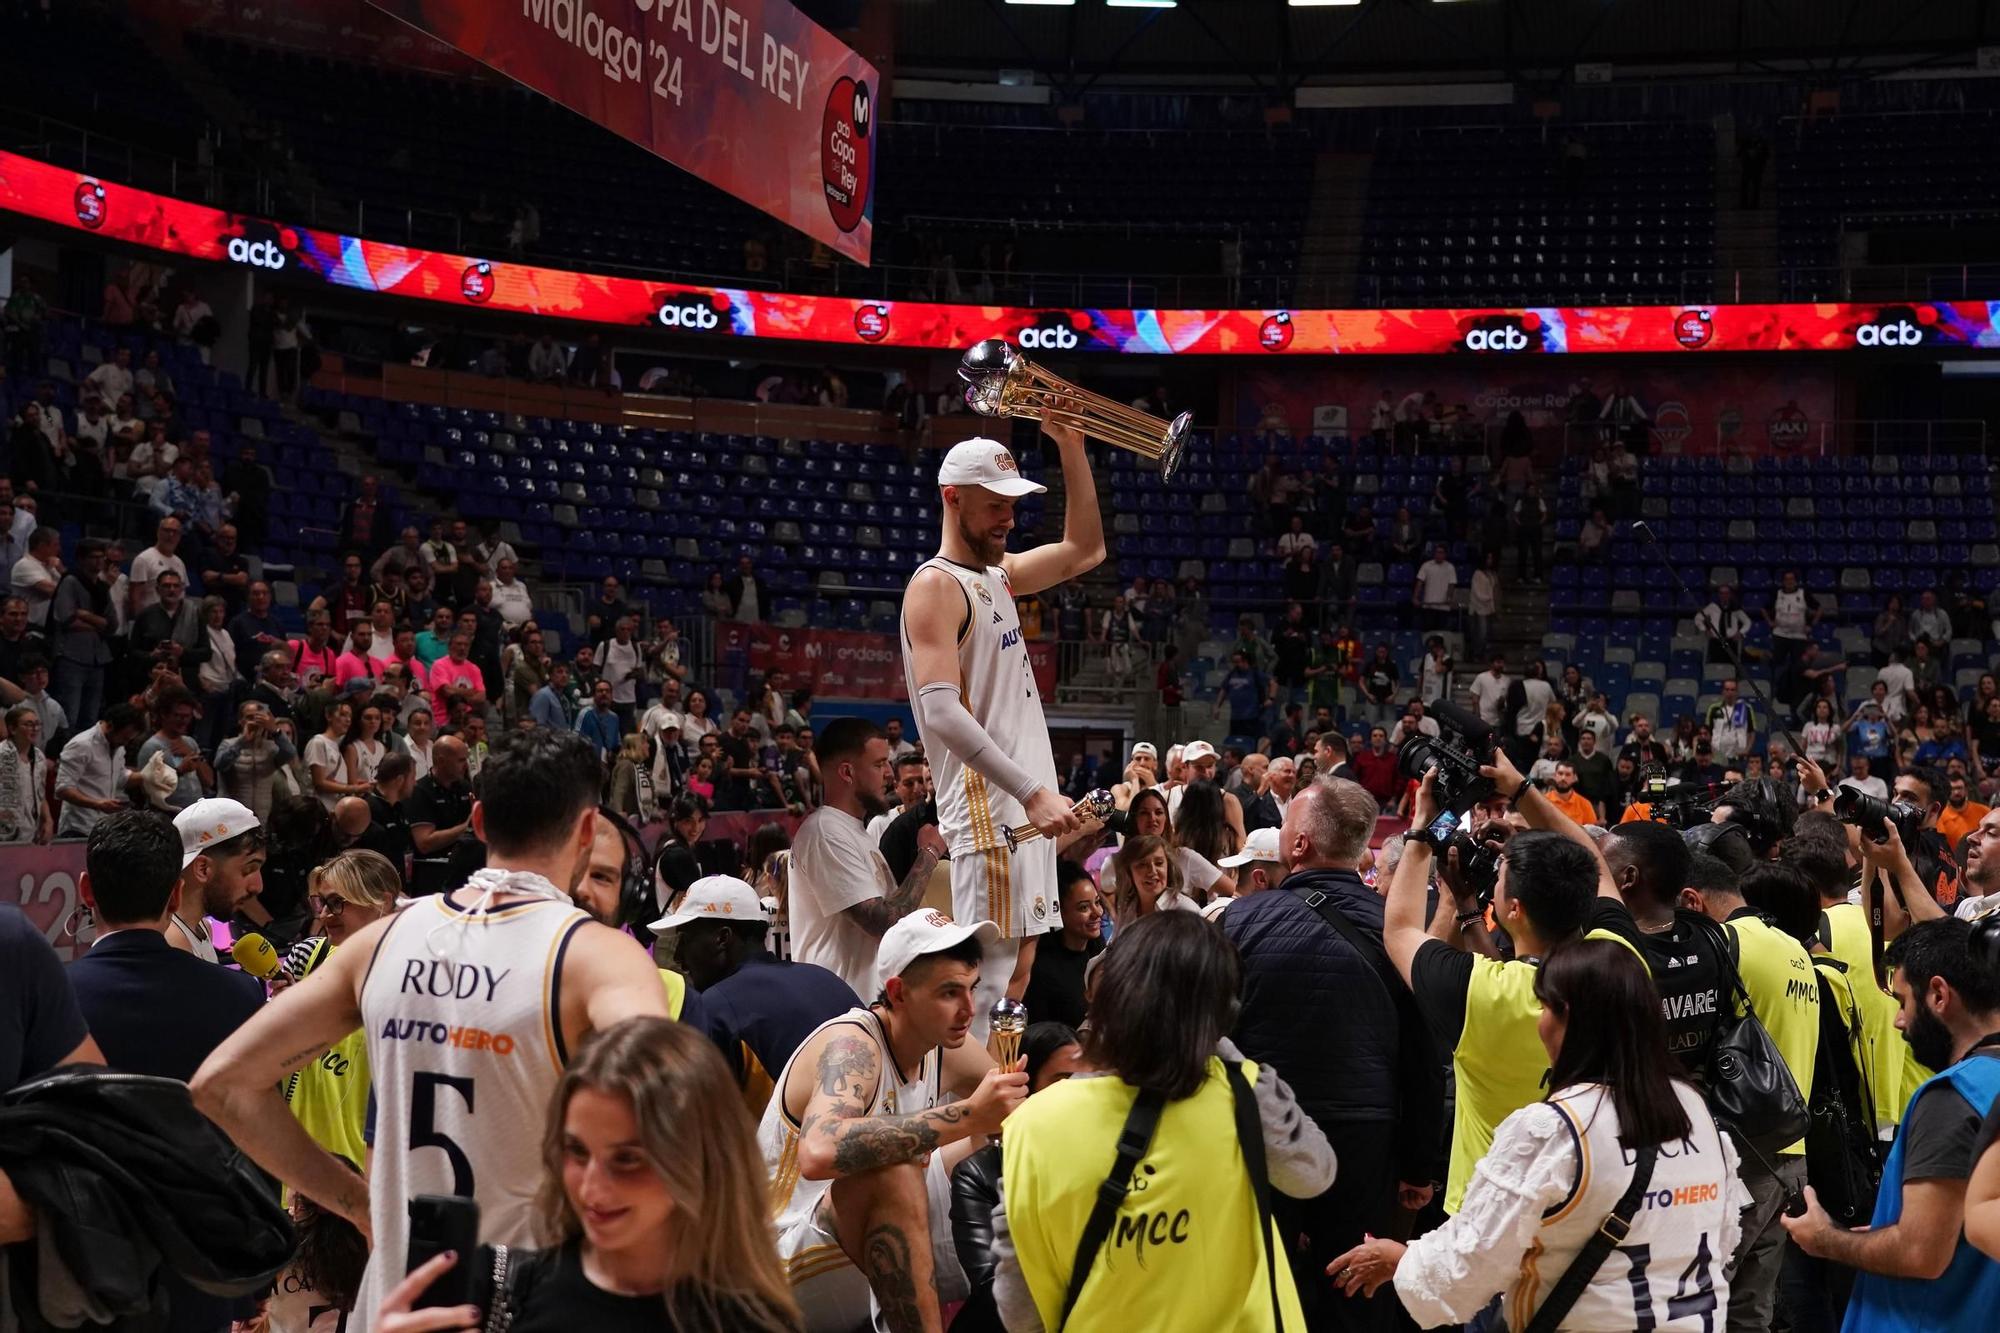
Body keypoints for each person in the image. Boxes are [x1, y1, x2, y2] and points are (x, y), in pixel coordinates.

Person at [192, 728, 674, 1333]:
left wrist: (355, 1204)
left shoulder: (381, 941)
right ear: (584, 831)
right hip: (530, 1305)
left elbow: (221, 1084)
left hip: (397, 1305)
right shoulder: (597, 955)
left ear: (476, 820)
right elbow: (674, 1114)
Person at [1327, 940, 1748, 1330]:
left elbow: (1469, 1265)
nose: (1540, 1024)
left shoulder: (1555, 1128)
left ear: (1571, 1020)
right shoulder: (1693, 1107)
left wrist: (1399, 1259)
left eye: (1546, 1009)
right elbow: (1723, 1237)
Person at [993, 911, 1336, 1331]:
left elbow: (1017, 1299)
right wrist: (1221, 1051)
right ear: (1223, 1015)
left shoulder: (1032, 1124)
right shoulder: (1244, 1094)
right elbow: (1314, 1174)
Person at [373, 1017, 801, 1333]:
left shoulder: (749, 1322)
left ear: (699, 1159)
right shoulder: (493, 1289)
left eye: (628, 1159)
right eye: (577, 1151)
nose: (592, 1188)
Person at [901, 425, 1103, 1038]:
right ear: (951, 497)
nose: (1008, 519)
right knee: (982, 989)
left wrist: (1071, 443)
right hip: (994, 817)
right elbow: (940, 711)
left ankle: (992, 1115)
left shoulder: (1000, 576)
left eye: (1013, 505)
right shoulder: (936, 585)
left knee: (1014, 977)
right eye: (995, 504)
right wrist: (1032, 790)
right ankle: (966, 1123)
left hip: (1022, 815)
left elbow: (1086, 550)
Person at [1224, 776, 1443, 1329]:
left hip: (1261, 1130)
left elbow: (1213, 1040)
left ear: (1298, 847)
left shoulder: (1238, 921)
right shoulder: (1399, 931)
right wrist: (1419, 1164)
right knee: (1353, 1287)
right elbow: (1423, 1056)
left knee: (1264, 1284)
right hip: (1365, 1140)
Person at [1383, 748, 1629, 1215]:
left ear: (1513, 910)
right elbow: (1592, 861)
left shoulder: (1481, 992)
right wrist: (1520, 790)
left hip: (1488, 1219)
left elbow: (1398, 930)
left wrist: (1424, 827)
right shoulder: (1620, 960)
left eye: (1502, 879)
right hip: (1590, 1201)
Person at [759, 911, 1024, 1332]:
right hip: (777, 1267)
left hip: (850, 1249)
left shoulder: (943, 1044)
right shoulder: (851, 1045)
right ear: (898, 993)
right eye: (949, 993)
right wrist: (970, 1113)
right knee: (896, 1172)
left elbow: (1013, 1117)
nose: (969, 1009)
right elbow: (819, 1152)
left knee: (1002, 1138)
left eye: (972, 989)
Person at [66, 808, 267, 1333]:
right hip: (200, 1270)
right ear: (175, 895)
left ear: (86, 890)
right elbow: (258, 1137)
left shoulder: (50, 995)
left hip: (76, 1267)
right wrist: (253, 1277)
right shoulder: (240, 996)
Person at [1783, 918, 2000, 1327]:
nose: (1900, 1021)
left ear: (1938, 994)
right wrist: (1889, 1232)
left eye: (1903, 1002)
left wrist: (1826, 1239)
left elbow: (1922, 1254)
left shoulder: (1952, 1095)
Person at [649, 875, 858, 1108]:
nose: (679, 958)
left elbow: (699, 1123)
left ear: (722, 938)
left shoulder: (714, 1008)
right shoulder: (826, 980)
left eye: (685, 941)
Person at [787, 717, 946, 999]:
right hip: (836, 1007)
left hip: (858, 1002)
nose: (889, 774)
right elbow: (883, 921)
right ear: (847, 772)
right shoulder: (826, 833)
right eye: (879, 764)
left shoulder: (853, 830)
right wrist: (929, 854)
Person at [276, 850, 401, 1172]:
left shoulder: (410, 978)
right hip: (298, 1156)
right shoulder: (308, 956)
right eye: (322, 903)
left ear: (382, 903)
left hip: (368, 1164)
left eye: (338, 903)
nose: (327, 915)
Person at [1021, 861, 1104, 1031]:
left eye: (1097, 902)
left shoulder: (1100, 950)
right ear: (1058, 913)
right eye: (1084, 907)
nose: (1097, 913)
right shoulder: (1041, 972)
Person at [54, 700, 146, 839]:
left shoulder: (118, 746)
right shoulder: (81, 745)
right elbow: (62, 788)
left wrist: (149, 775)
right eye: (125, 738)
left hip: (105, 828)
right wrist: (97, 804)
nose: (126, 743)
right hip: (78, 828)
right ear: (110, 726)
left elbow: (120, 777)